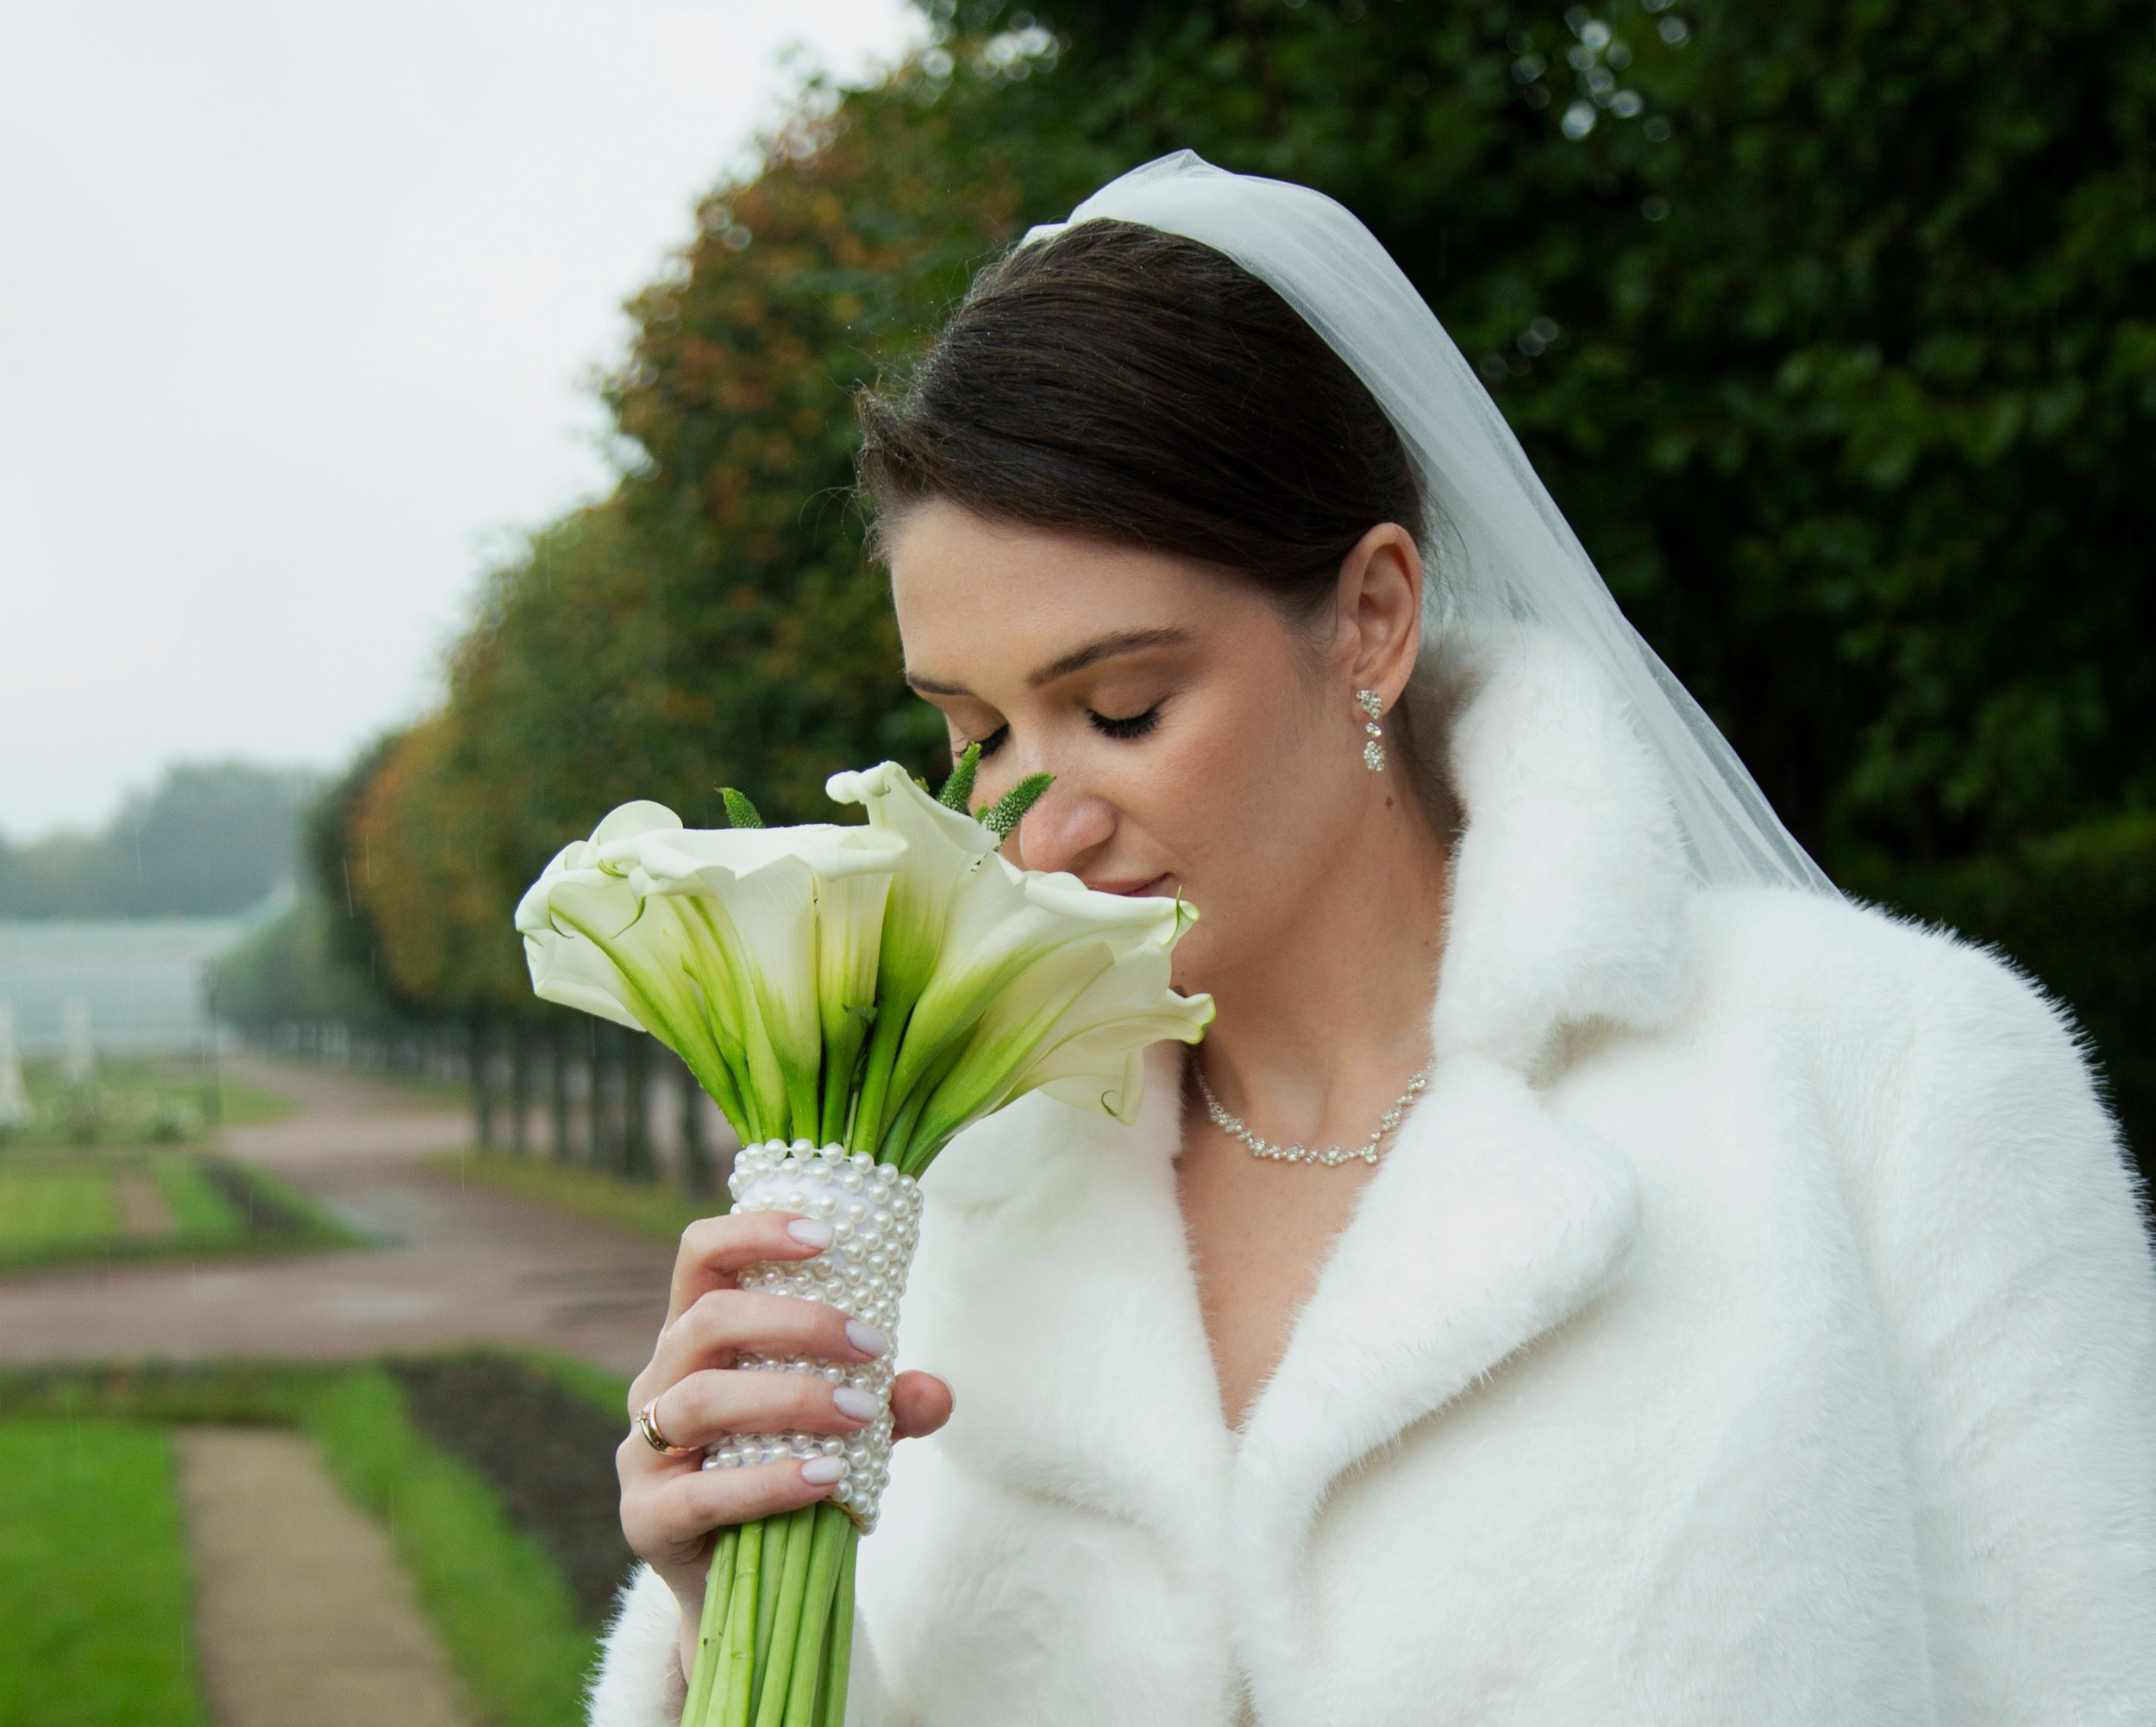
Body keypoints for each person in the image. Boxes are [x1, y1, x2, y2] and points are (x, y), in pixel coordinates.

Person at [592, 155, 2156, 1726]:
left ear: (1372, 618)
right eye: (976, 733)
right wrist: (733, 1628)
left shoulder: (1890, 1081)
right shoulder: (940, 1208)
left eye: (1123, 709)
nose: (1035, 824)